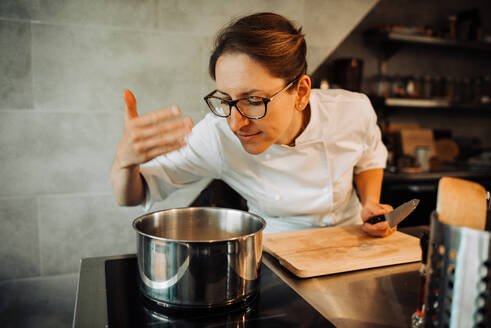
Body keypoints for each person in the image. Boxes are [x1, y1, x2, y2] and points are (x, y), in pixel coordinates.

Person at [110, 12, 395, 237]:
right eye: (226, 100)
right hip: (277, 257)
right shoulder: (217, 136)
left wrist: (371, 204)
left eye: (254, 100)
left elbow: (369, 155)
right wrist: (125, 162)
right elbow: (134, 194)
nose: (236, 122)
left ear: (302, 92)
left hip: (353, 241)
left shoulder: (351, 110)